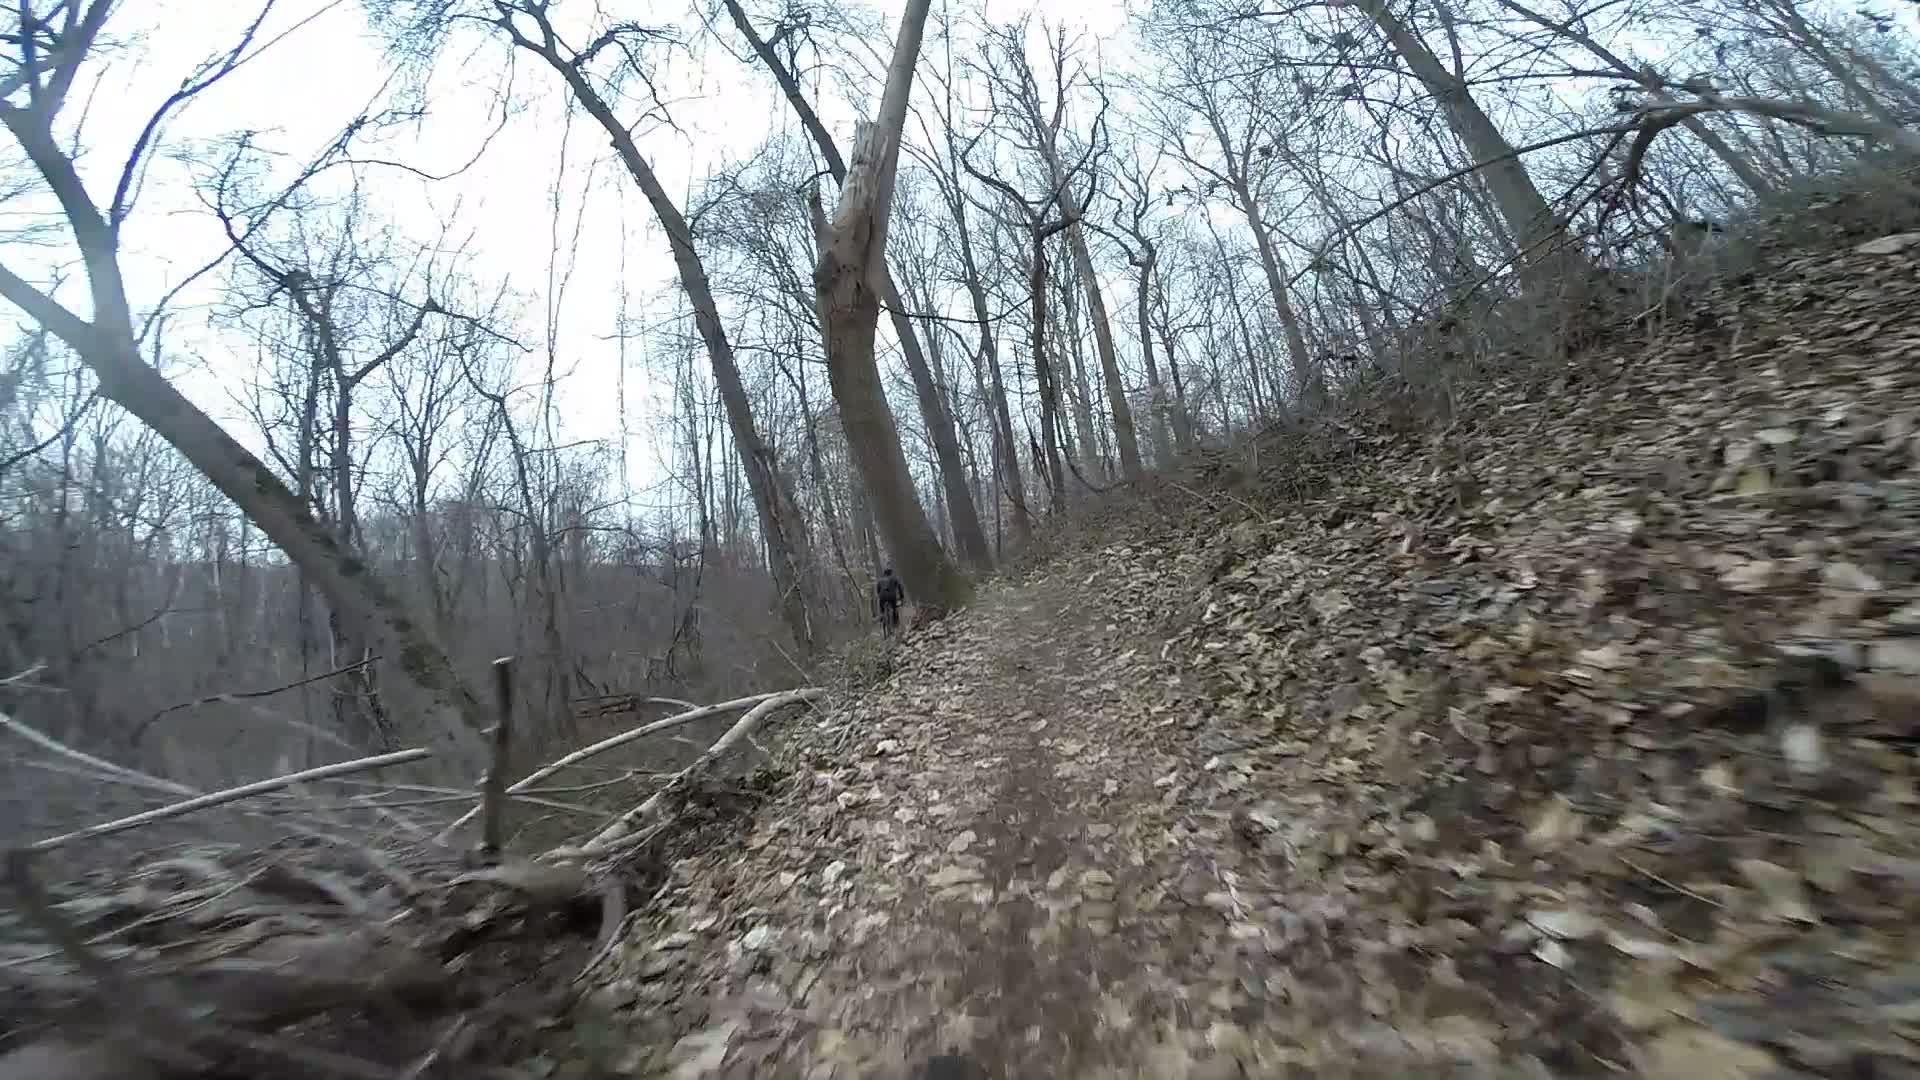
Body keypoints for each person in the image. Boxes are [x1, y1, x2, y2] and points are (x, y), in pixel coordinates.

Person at [875, 565, 905, 635]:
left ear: (884, 573)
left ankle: (882, 617)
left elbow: (878, 591)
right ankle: (896, 624)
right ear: (891, 573)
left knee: (881, 607)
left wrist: (880, 595)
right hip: (892, 596)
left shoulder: (880, 580)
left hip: (882, 596)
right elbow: (900, 588)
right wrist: (901, 597)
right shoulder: (894, 578)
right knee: (895, 608)